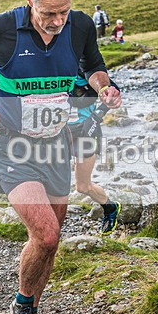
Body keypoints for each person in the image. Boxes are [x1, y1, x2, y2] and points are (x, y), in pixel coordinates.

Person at [0, 0, 121, 314]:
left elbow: (95, 66)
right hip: (12, 144)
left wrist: (104, 87)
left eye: (63, 12)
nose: (57, 21)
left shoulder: (79, 26)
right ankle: (20, 308)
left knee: (53, 237)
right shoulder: (2, 27)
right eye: (48, 13)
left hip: (55, 144)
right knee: (46, 234)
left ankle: (31, 312)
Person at [68, 71, 121, 234]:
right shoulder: (51, 65)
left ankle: (110, 207)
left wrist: (97, 115)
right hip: (58, 131)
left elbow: (113, 90)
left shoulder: (82, 67)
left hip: (87, 131)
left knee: (83, 186)